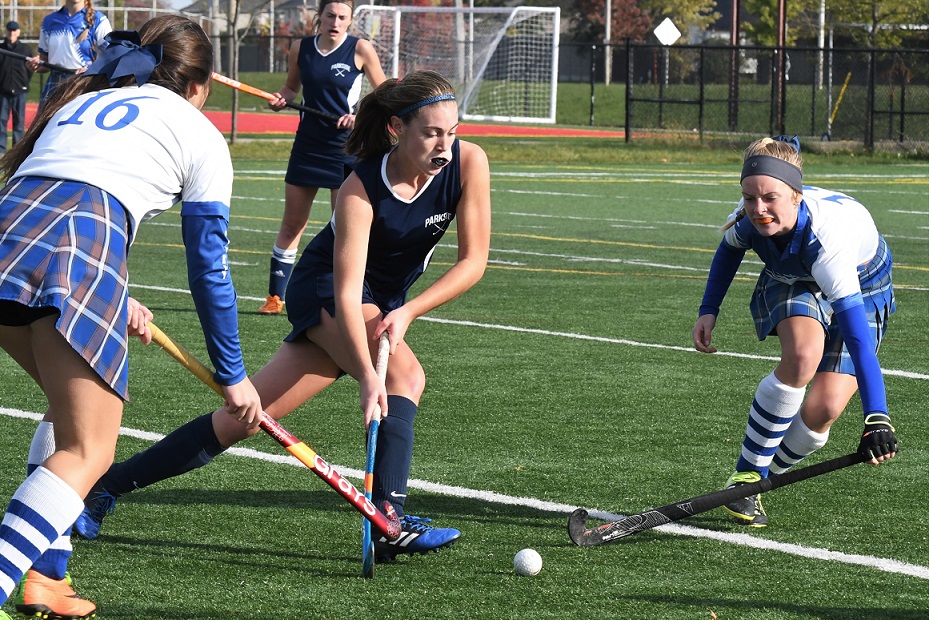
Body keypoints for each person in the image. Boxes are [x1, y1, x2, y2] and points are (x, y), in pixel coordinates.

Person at [76, 70, 492, 562]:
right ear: (396, 129)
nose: (445, 146)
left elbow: (474, 262)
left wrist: (409, 311)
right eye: (431, 133)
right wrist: (367, 375)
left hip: (382, 302)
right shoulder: (360, 188)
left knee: (245, 419)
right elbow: (345, 292)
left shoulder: (468, 163)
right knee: (405, 376)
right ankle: (389, 520)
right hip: (326, 290)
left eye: (452, 132)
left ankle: (108, 485)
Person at [0, 16, 262, 619]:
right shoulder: (200, 133)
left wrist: (116, 292)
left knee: (70, 413)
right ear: (200, 85)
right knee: (89, 448)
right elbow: (209, 270)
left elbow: (59, 189)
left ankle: (48, 577)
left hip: (11, 235)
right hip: (74, 245)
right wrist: (233, 375)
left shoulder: (83, 100)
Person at [692, 135, 898, 528]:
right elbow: (729, 248)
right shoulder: (752, 216)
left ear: (796, 196)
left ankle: (758, 481)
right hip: (794, 279)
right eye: (749, 198)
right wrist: (708, 310)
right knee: (803, 356)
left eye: (770, 198)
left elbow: (858, 340)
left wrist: (877, 416)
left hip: (864, 283)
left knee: (825, 409)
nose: (758, 208)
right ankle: (747, 475)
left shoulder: (828, 242)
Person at [259, 0, 386, 315]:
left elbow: (384, 94)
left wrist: (359, 115)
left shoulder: (361, 49)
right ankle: (275, 297)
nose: (336, 22)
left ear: (350, 20)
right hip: (307, 146)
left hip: (346, 149)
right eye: (330, 15)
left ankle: (346, 297)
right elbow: (291, 88)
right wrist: (280, 98)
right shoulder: (300, 48)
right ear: (320, 16)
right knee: (292, 223)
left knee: (343, 227)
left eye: (343, 17)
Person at [35, 0, 112, 106]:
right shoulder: (49, 20)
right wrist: (36, 65)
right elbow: (45, 61)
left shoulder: (99, 20)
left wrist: (92, 70)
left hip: (84, 83)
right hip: (55, 85)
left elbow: (111, 57)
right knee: (46, 117)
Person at [0, 21, 38, 154]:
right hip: (3, 91)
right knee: (1, 121)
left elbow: (30, 69)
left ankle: (17, 150)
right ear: (6, 32)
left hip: (20, 90)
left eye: (14, 30)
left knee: (19, 122)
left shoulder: (25, 49)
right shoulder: (1, 48)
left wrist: (23, 82)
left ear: (18, 32)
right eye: (9, 30)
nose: (11, 33)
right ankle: (1, 149)